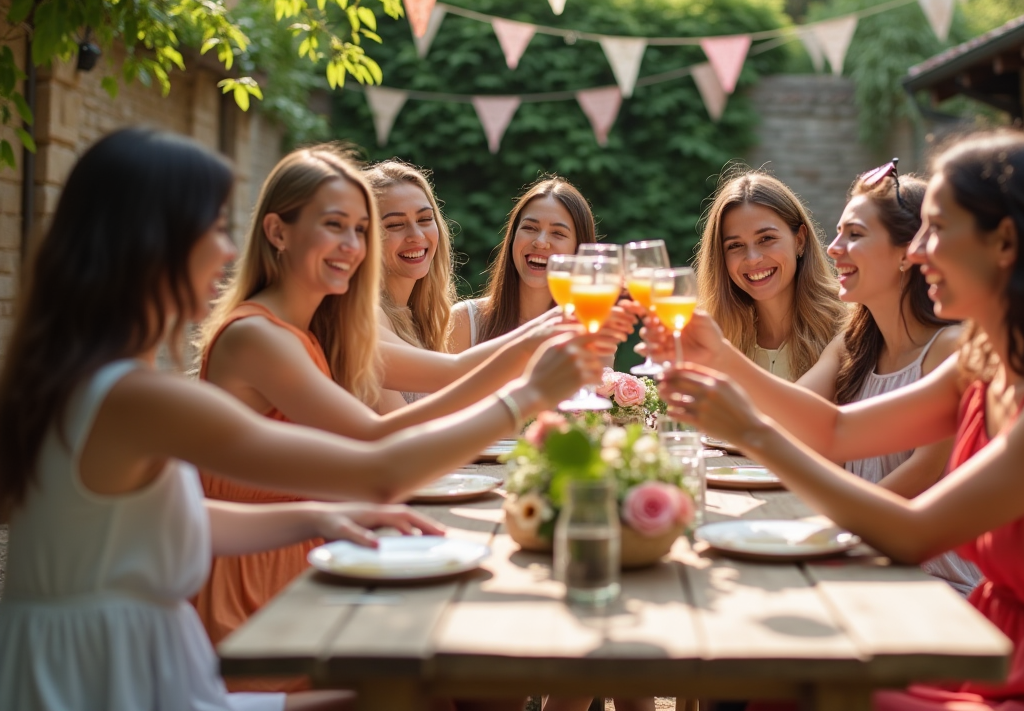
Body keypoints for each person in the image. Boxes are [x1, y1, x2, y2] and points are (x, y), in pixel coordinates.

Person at [0, 128, 600, 711]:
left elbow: (157, 514)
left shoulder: (86, 380)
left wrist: (316, 516)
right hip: (113, 675)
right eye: (210, 227)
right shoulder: (146, 392)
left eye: (361, 229)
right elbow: (378, 462)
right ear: (149, 243)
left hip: (119, 661)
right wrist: (527, 396)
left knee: (441, 679)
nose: (227, 250)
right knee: (432, 682)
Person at [655, 131, 1024, 710]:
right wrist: (717, 354)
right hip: (997, 644)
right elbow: (838, 430)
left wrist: (753, 432)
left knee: (784, 687)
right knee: (766, 674)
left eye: (936, 229)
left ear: (1006, 241)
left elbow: (916, 532)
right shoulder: (985, 359)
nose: (917, 251)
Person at [195, 147, 575, 687]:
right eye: (338, 228)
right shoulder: (259, 336)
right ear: (277, 233)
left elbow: (390, 433)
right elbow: (380, 442)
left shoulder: (307, 330)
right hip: (258, 576)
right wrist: (530, 383)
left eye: (359, 230)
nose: (353, 247)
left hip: (317, 548)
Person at [797, 163, 979, 595]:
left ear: (907, 253)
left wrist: (828, 533)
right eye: (838, 232)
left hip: (932, 574)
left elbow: (921, 474)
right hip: (864, 553)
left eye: (855, 235)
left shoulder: (949, 348)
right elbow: (791, 412)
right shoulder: (853, 343)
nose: (834, 247)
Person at [366, 160, 563, 412]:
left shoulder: (423, 320)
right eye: (395, 224)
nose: (415, 235)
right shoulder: (370, 315)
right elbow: (401, 430)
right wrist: (550, 326)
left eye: (425, 219)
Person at [695, 168, 844, 381]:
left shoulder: (849, 324)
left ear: (799, 240)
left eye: (766, 239)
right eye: (735, 245)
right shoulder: (713, 339)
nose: (753, 258)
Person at [449, 178, 597, 351]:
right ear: (512, 238)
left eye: (558, 233)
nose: (541, 242)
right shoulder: (465, 322)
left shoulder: (591, 334)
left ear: (579, 250)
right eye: (530, 228)